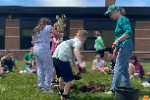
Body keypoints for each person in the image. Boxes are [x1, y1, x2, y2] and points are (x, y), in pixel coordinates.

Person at [104, 5, 134, 95]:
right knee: (124, 69)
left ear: (115, 11)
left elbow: (128, 32)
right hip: (124, 46)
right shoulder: (119, 21)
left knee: (118, 68)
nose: (110, 16)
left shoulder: (123, 19)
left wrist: (117, 41)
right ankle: (127, 88)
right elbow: (120, 35)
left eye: (110, 14)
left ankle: (113, 90)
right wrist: (116, 48)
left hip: (126, 45)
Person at [52, 30, 87, 100]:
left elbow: (73, 57)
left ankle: (61, 91)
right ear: (84, 39)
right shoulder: (78, 42)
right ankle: (64, 96)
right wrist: (80, 63)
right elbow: (76, 50)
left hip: (55, 57)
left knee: (61, 76)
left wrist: (76, 69)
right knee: (69, 79)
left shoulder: (71, 41)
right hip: (62, 58)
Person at [31, 17, 64, 93]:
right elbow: (58, 34)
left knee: (40, 68)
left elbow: (33, 41)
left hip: (36, 48)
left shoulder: (36, 29)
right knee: (48, 68)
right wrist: (62, 34)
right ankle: (47, 88)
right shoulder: (48, 27)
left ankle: (41, 86)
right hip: (44, 49)